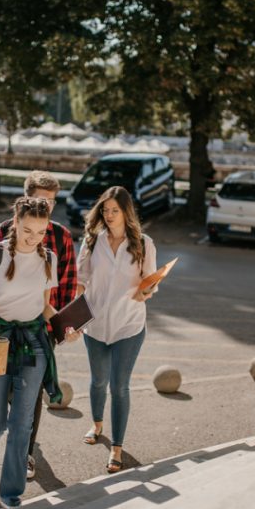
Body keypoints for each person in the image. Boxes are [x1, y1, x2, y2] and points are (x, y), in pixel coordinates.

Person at [0, 196, 79, 509]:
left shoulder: (49, 258)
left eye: (41, 232)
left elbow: (45, 307)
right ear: (14, 223)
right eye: (28, 230)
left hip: (33, 342)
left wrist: (64, 327)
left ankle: (11, 493)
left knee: (22, 422)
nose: (34, 238)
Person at [0, 171, 77, 480]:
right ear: (26, 199)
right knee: (6, 388)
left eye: (53, 201)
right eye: (42, 200)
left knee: (33, 389)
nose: (49, 206)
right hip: (5, 325)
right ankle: (10, 432)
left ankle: (25, 451)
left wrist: (62, 326)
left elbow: (67, 284)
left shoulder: (62, 236)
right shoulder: (4, 230)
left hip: (42, 326)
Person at [76, 186, 157, 473]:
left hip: (129, 325)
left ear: (126, 212)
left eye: (115, 211)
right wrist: (72, 312)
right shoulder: (91, 241)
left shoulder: (144, 243)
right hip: (95, 325)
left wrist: (146, 292)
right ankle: (97, 424)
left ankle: (117, 447)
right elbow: (81, 279)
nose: (109, 216)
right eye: (105, 210)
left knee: (119, 386)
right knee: (98, 381)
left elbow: (151, 281)